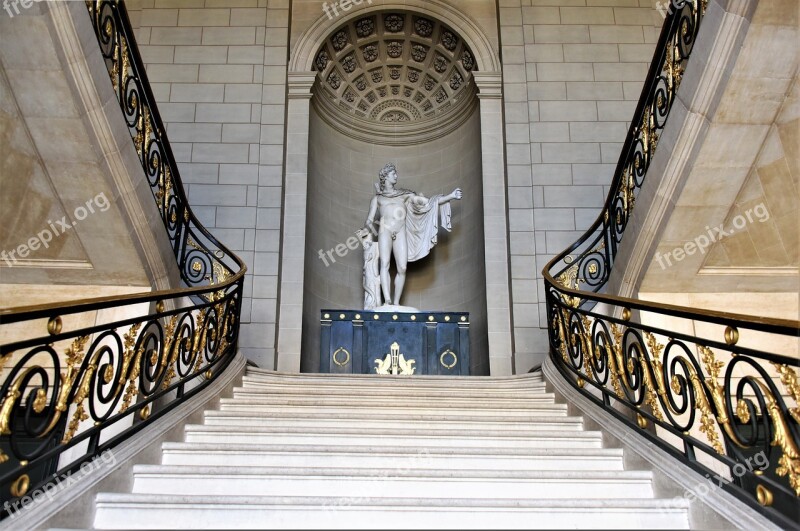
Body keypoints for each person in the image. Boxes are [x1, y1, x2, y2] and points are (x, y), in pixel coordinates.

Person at [364, 163, 462, 308]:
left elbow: (428, 203)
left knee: (402, 268)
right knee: (384, 264)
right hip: (385, 231)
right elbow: (369, 219)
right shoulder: (378, 199)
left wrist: (450, 196)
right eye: (393, 174)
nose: (396, 176)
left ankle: (396, 302)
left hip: (400, 231)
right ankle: (387, 302)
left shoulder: (405, 195)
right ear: (385, 177)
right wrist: (366, 232)